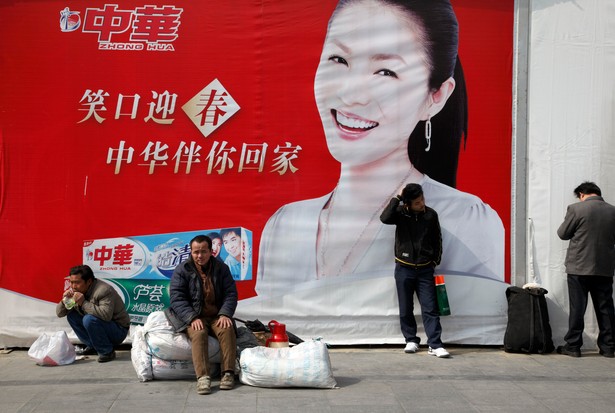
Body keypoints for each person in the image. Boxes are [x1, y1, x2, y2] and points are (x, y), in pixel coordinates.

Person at [247, 0, 506, 345]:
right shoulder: (286, 225)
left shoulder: (467, 219)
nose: (351, 94)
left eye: (386, 72)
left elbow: (480, 321)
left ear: (436, 96)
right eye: (338, 60)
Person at [380, 183, 449, 357]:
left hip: (425, 269)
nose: (422, 204)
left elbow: (437, 240)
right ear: (408, 204)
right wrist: (397, 198)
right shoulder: (400, 214)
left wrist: (434, 261)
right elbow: (384, 218)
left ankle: (435, 344)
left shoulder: (431, 215)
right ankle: (411, 340)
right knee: (405, 308)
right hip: (404, 268)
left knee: (430, 307)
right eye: (417, 202)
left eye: (422, 199)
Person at [165, 235, 238, 395]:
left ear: (211, 252)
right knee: (199, 333)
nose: (199, 256)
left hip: (216, 315)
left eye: (203, 252)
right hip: (194, 316)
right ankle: (203, 377)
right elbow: (177, 298)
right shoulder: (182, 270)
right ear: (191, 252)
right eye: (196, 252)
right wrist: (191, 317)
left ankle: (228, 373)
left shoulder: (221, 268)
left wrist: (225, 314)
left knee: (227, 328)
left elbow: (230, 294)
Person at [556, 181, 615, 358]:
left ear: (582, 194)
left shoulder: (576, 209)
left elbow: (562, 233)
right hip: (604, 267)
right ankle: (609, 347)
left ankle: (573, 346)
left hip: (579, 267)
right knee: (605, 308)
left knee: (578, 307)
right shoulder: (612, 211)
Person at [56, 265, 130, 362]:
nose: (73, 286)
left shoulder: (104, 290)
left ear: (89, 281)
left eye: (77, 283)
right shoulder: (75, 291)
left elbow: (105, 316)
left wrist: (83, 302)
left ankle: (107, 352)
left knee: (89, 319)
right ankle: (93, 346)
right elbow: (60, 313)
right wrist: (64, 301)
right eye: (71, 282)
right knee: (72, 316)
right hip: (103, 326)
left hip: (118, 330)